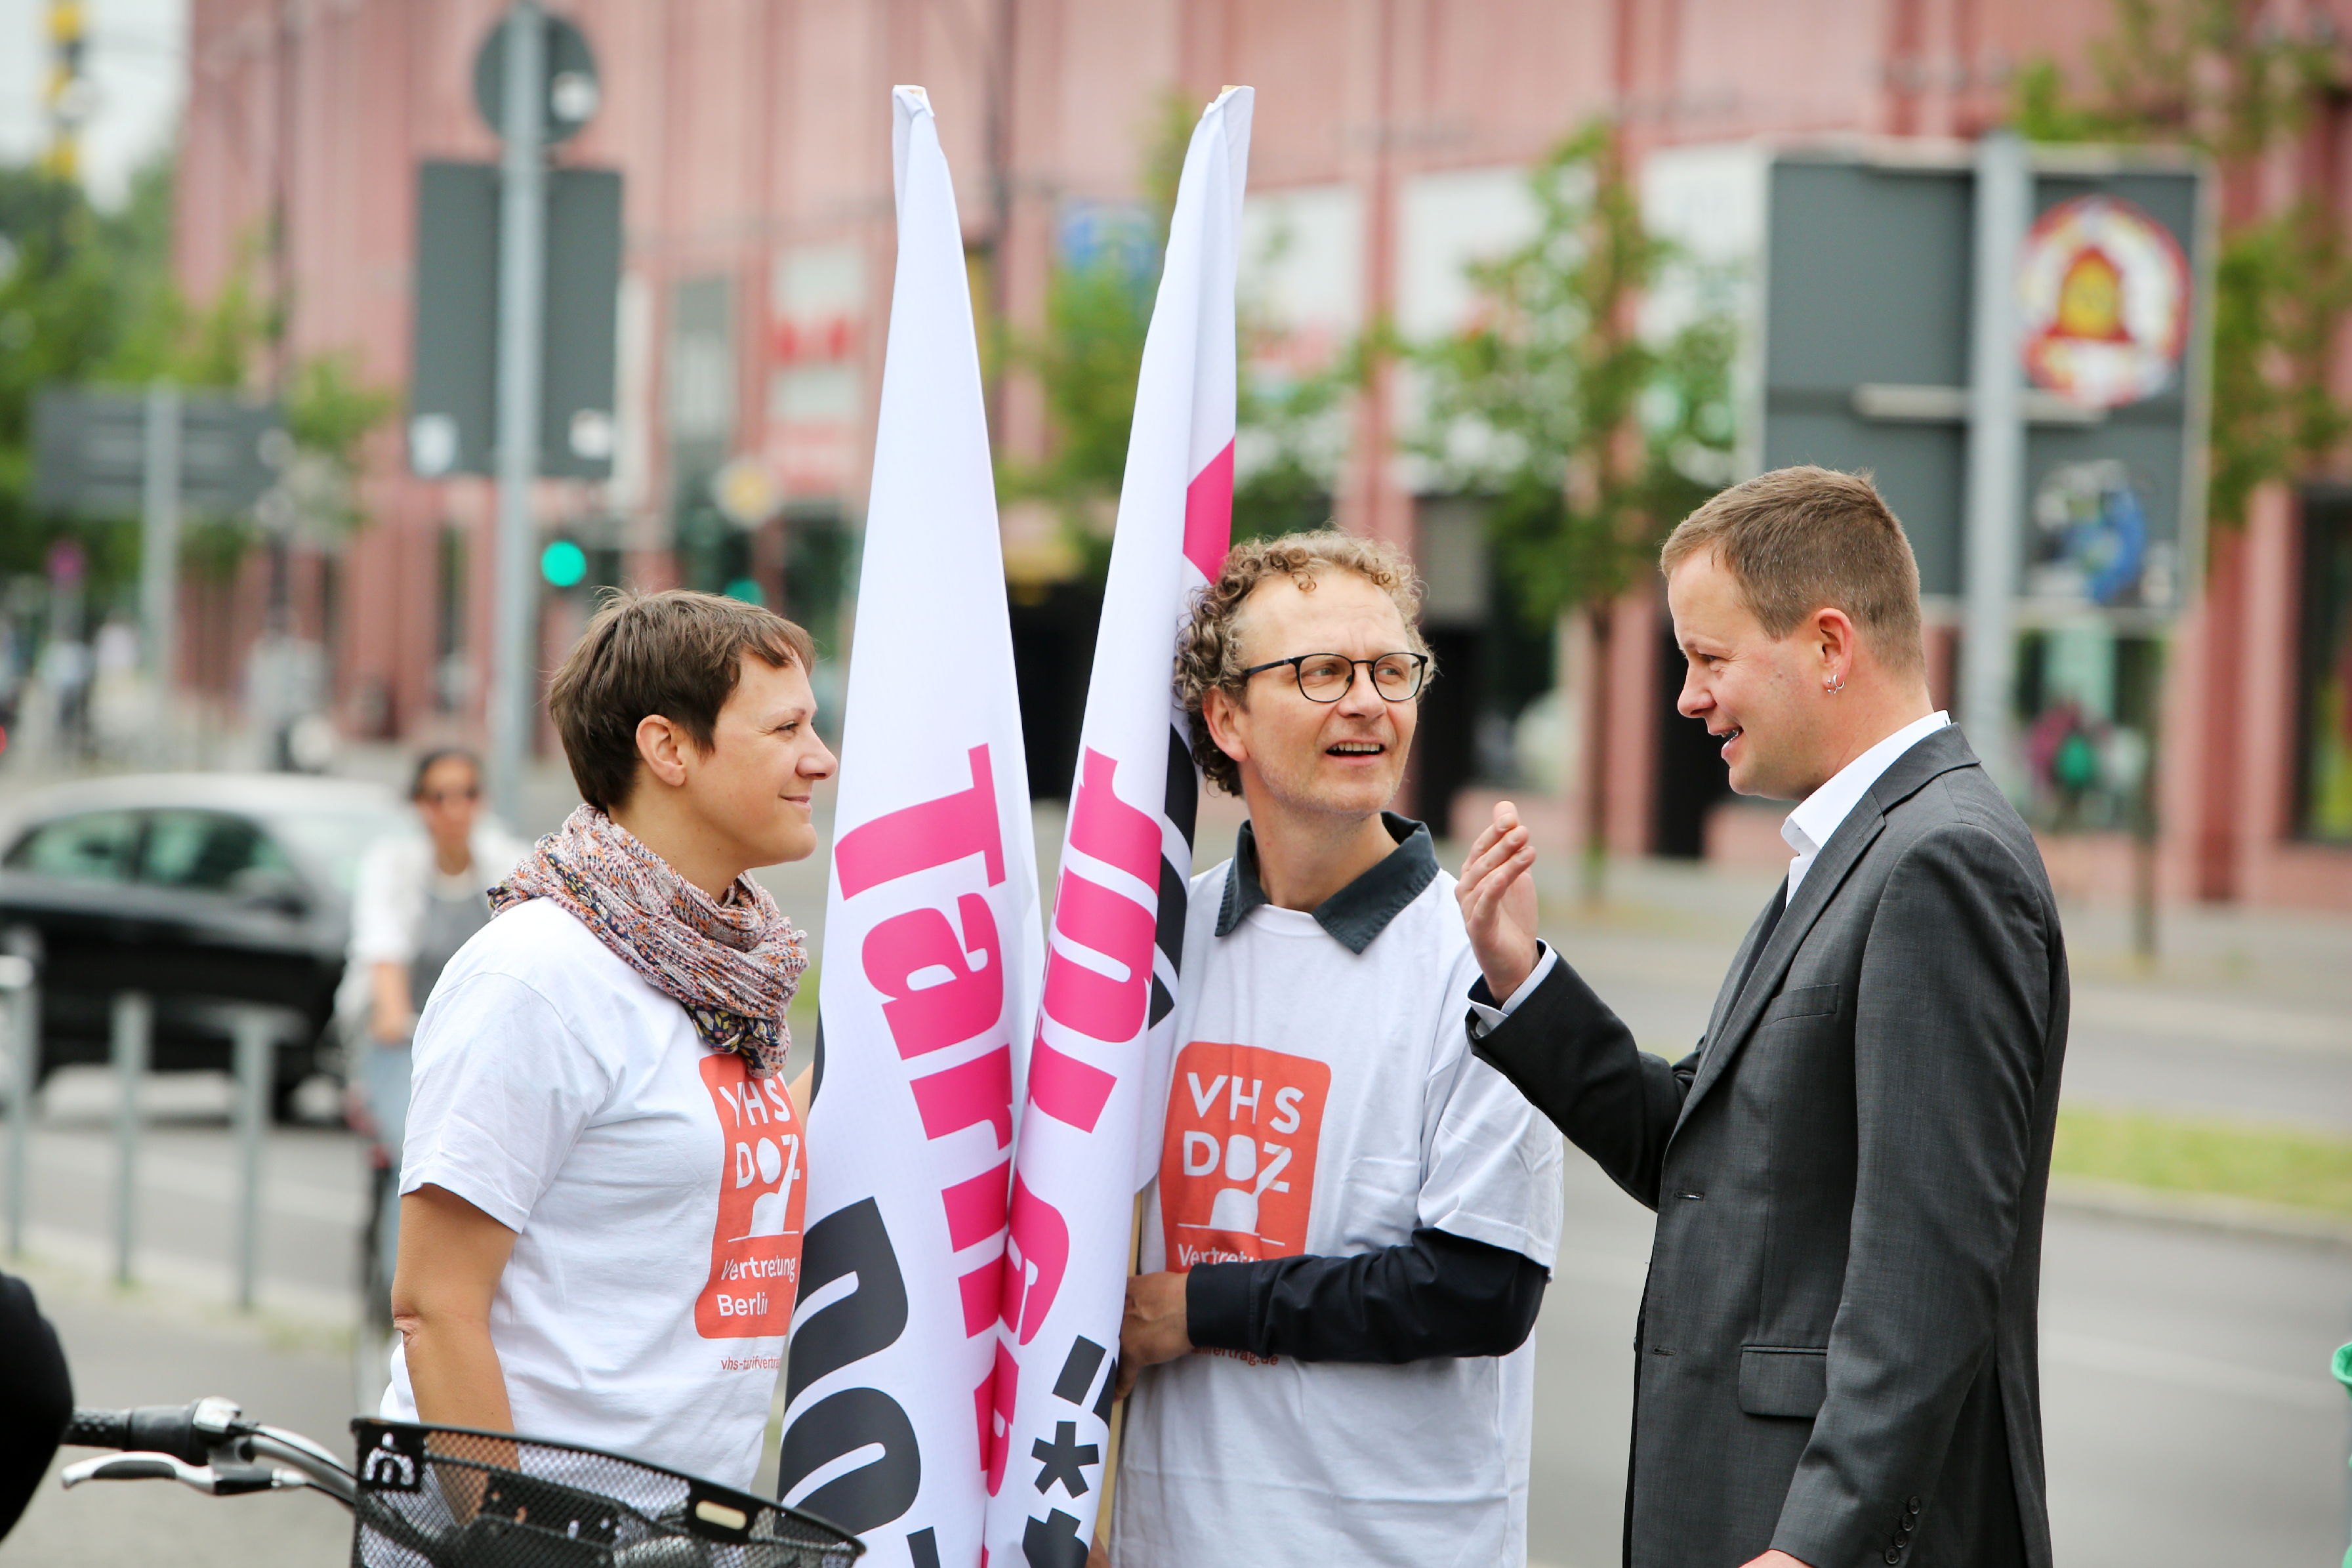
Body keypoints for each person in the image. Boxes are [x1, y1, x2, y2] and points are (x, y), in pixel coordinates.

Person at [1457, 467, 2069, 1568]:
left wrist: (1813, 1548)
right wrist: (1523, 981)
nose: (1688, 698)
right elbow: (1706, 1147)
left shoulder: (1941, 862)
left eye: (1708, 659)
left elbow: (1925, 1285)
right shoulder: (1859, 845)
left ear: (1829, 646)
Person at [1109, 533, 1565, 1567]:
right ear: (1225, 715)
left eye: (1392, 669)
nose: (1367, 701)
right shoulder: (1152, 951)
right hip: (1168, 1540)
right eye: (1320, 671)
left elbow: (1482, 1288)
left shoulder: (1481, 959)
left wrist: (1196, 1307)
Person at [384, 589, 836, 1489]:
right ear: (669, 747)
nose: (820, 760)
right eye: (784, 729)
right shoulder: (535, 976)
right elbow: (435, 1307)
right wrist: (510, 1547)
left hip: (680, 1532)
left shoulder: (729, 974)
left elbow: (720, 1149)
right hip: (536, 1541)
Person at [344, 748, 524, 1319]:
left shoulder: (508, 863)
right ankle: (413, 1303)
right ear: (419, 806)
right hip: (404, 1041)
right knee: (416, 1146)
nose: (454, 810)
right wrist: (395, 1013)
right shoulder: (393, 865)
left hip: (484, 1045)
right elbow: (384, 956)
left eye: (467, 794)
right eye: (439, 797)